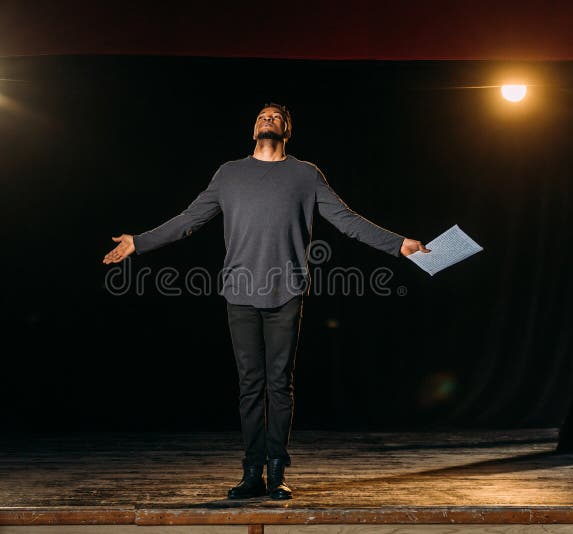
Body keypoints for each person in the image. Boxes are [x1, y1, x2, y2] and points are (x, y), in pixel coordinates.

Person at [102, 102, 430, 500]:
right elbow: (189, 219)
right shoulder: (229, 174)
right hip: (238, 292)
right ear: (252, 129)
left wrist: (398, 245)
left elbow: (346, 220)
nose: (267, 119)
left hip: (286, 291)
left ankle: (277, 472)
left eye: (275, 116)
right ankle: (251, 471)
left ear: (287, 130)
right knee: (249, 385)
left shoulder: (305, 175)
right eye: (261, 116)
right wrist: (139, 242)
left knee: (279, 384)